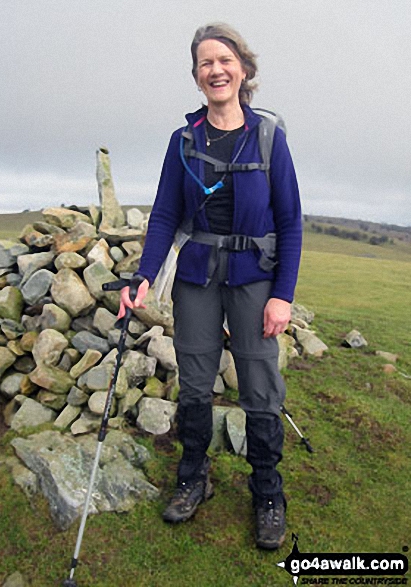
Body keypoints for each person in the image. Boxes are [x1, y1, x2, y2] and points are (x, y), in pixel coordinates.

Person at [117, 22, 302, 550]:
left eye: (224, 60)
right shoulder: (183, 143)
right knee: (195, 383)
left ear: (242, 69)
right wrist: (144, 275)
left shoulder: (269, 138)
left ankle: (267, 491)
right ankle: (193, 476)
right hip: (197, 277)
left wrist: (282, 295)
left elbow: (290, 221)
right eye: (205, 63)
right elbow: (164, 216)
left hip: (254, 279)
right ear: (197, 77)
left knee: (260, 386)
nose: (215, 70)